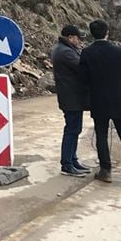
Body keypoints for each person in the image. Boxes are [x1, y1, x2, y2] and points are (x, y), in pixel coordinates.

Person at [79, 18, 121, 184]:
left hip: (98, 101)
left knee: (102, 136)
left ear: (92, 34)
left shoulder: (87, 53)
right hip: (119, 100)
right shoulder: (119, 51)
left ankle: (106, 171)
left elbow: (82, 78)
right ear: (107, 33)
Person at [50, 25, 90, 176]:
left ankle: (72, 160)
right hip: (71, 97)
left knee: (74, 129)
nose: (79, 41)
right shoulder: (66, 52)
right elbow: (82, 68)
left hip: (70, 96)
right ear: (70, 37)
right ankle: (67, 164)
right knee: (72, 130)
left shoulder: (61, 49)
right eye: (77, 38)